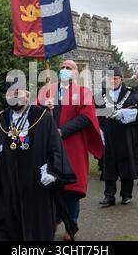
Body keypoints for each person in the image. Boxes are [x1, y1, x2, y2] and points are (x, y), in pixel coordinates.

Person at [0, 76, 77, 241]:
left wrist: (52, 169)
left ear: (28, 94)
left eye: (19, 92)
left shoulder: (42, 117)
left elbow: (56, 148)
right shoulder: (1, 118)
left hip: (36, 185)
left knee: (36, 229)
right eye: (12, 92)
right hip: (9, 187)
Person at [38, 60, 104, 240]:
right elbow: (36, 114)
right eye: (63, 68)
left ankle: (71, 225)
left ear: (76, 73)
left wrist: (62, 131)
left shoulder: (83, 93)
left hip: (72, 145)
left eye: (70, 68)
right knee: (51, 184)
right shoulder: (47, 91)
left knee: (72, 187)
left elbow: (85, 118)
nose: (65, 70)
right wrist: (45, 108)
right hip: (49, 147)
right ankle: (54, 218)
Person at [96, 66, 138, 201]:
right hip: (108, 134)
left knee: (126, 165)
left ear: (121, 79)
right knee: (108, 165)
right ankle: (109, 195)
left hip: (125, 135)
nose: (113, 81)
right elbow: (97, 113)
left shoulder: (131, 93)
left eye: (115, 78)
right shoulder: (102, 95)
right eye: (110, 78)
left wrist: (124, 113)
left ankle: (126, 194)